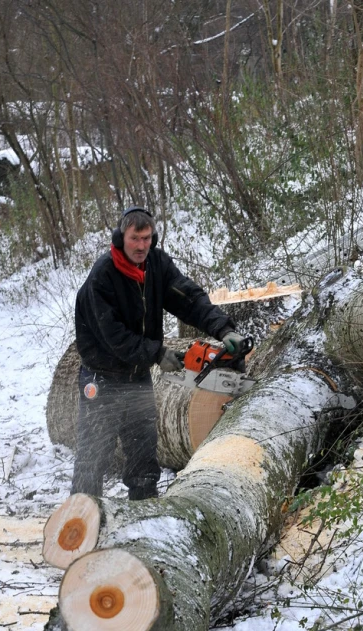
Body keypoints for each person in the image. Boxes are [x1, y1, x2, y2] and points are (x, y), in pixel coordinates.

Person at [71, 206, 245, 500]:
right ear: (120, 238)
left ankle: (145, 509)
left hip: (136, 376)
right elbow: (114, 338)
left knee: (143, 448)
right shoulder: (103, 277)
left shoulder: (156, 266)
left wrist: (224, 329)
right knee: (94, 451)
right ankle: (79, 516)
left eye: (147, 238)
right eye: (135, 238)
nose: (141, 246)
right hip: (102, 378)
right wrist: (156, 353)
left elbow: (189, 299)